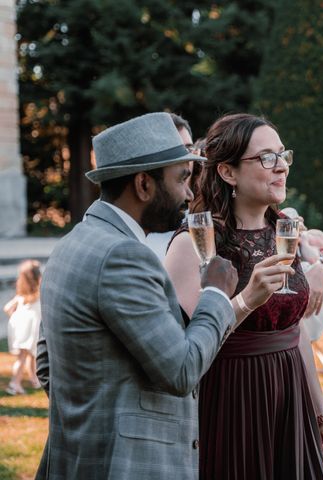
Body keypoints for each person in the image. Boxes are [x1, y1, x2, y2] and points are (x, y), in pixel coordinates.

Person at [35, 112, 238, 480]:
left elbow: (47, 366)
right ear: (144, 184)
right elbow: (180, 371)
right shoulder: (122, 256)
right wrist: (216, 295)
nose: (190, 194)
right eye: (181, 179)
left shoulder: (70, 245)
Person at [165, 113, 323, 479]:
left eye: (283, 155)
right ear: (228, 173)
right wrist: (247, 298)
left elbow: (295, 334)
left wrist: (322, 416)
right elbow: (183, 352)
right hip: (231, 400)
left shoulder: (284, 232)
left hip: (290, 398)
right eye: (266, 158)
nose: (281, 167)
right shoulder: (194, 243)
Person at [281, 207, 323, 372]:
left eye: (312, 235)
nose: (306, 233)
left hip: (306, 326)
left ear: (321, 251)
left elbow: (316, 261)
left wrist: (303, 238)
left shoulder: (312, 261)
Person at [145, 112, 201, 259]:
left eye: (188, 149)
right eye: (175, 151)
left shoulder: (200, 217)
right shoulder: (132, 221)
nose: (185, 160)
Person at [4, 259, 42, 395]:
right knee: (24, 357)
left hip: (19, 328)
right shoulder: (39, 293)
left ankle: (34, 379)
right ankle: (14, 384)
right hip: (29, 330)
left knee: (29, 355)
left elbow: (7, 308)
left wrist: (15, 318)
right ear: (38, 276)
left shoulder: (21, 295)